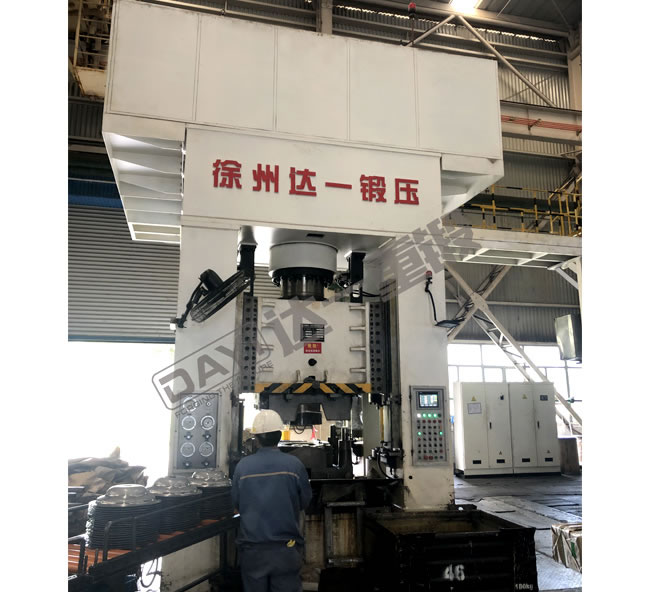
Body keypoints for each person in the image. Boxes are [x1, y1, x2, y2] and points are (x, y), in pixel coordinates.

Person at [232, 410, 312, 592]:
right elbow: (304, 501)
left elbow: (236, 502)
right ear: (279, 435)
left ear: (256, 438)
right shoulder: (294, 465)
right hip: (286, 549)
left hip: (253, 550)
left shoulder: (243, 467)